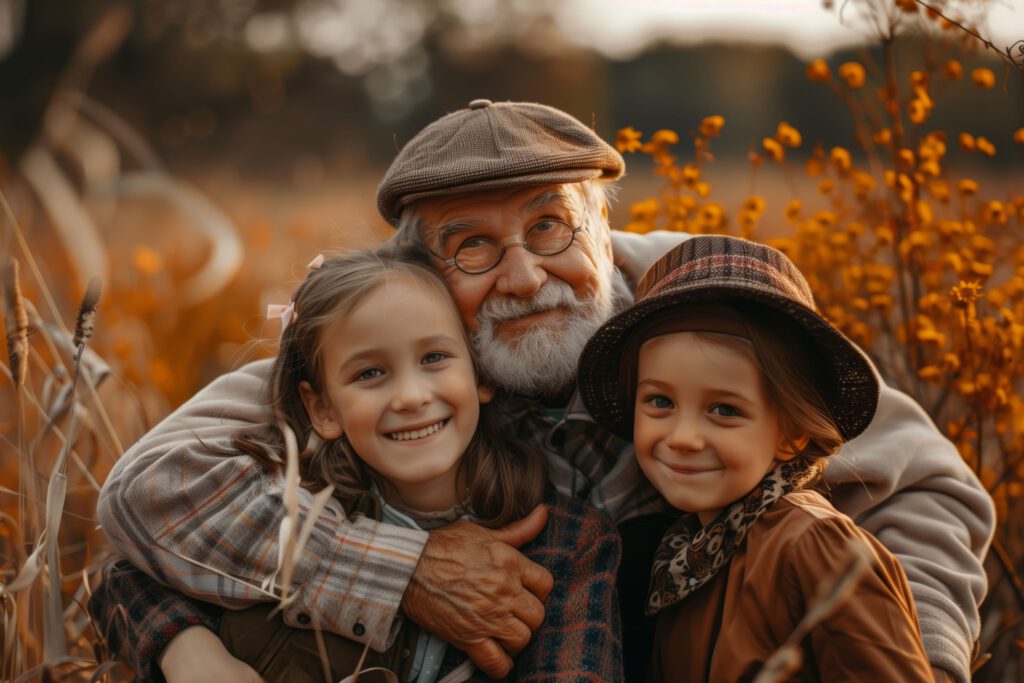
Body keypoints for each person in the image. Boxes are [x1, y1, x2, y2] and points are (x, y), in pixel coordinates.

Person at [96, 100, 994, 683]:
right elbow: (145, 491)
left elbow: (924, 485)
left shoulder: (702, 310)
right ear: (423, 273)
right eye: (472, 246)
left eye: (550, 223)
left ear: (604, 230)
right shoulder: (396, 349)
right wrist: (397, 569)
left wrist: (912, 663)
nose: (525, 277)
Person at [92, 246, 622, 682]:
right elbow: (123, 574)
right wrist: (190, 653)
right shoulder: (287, 505)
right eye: (370, 374)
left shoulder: (566, 542)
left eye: (435, 358)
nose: (412, 396)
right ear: (322, 408)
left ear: (481, 373)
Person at [577, 234, 932, 680]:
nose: (683, 437)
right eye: (660, 403)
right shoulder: (683, 560)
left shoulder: (814, 545)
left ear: (793, 434)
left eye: (724, 410)